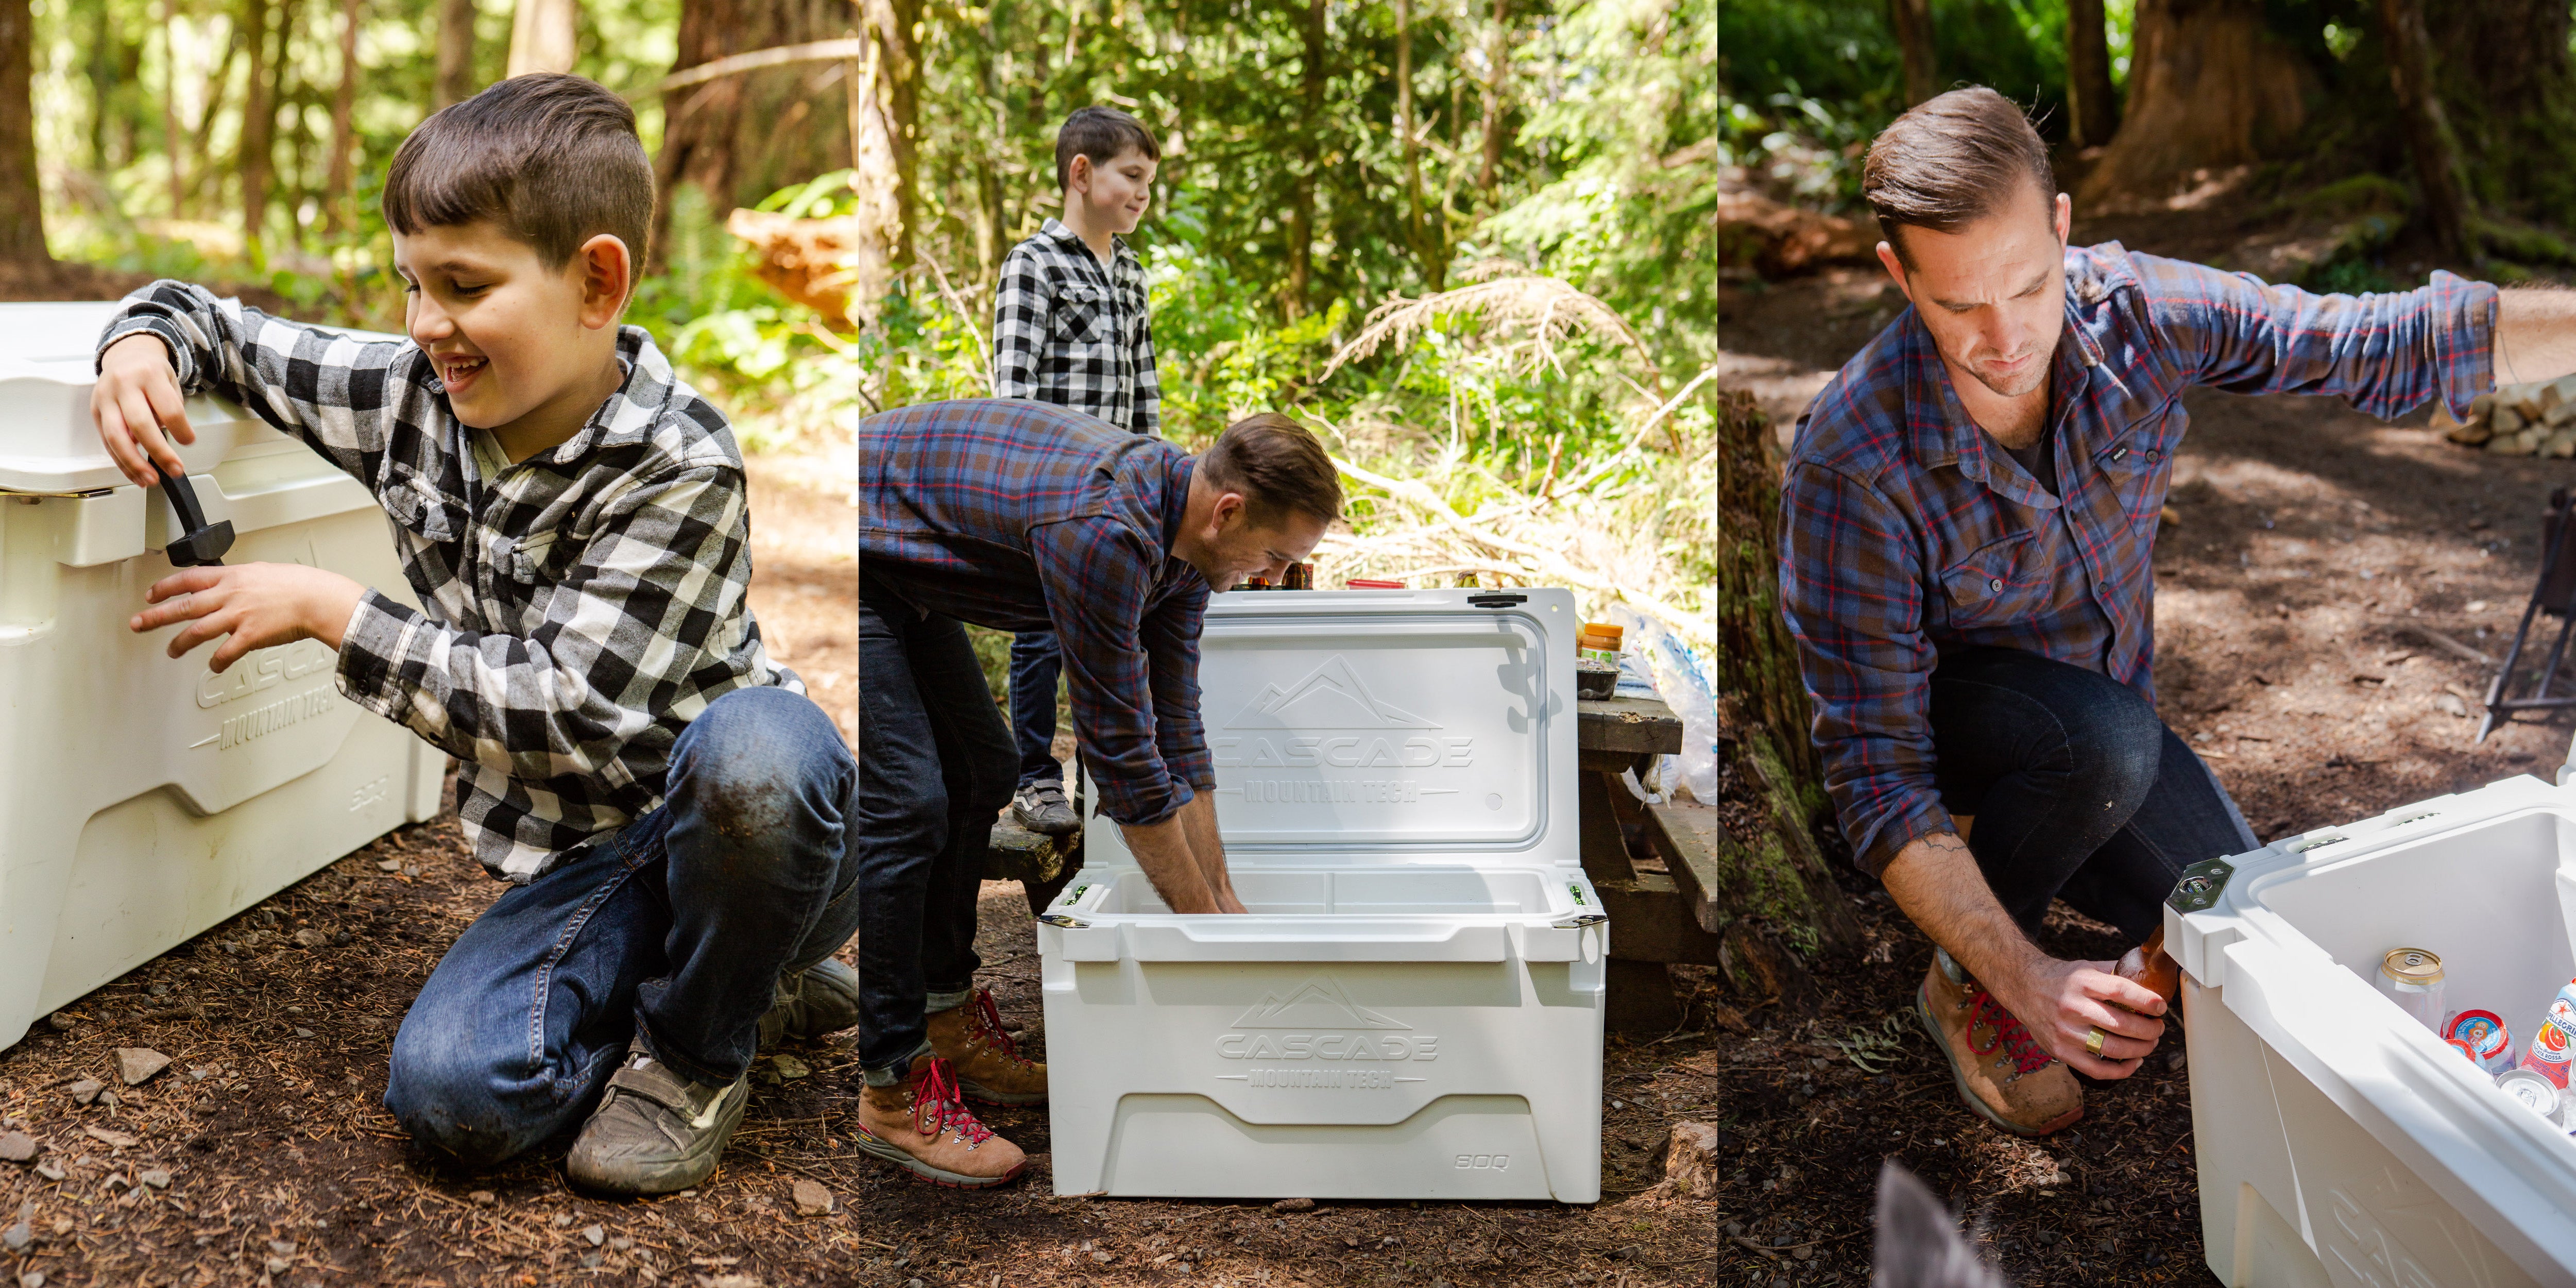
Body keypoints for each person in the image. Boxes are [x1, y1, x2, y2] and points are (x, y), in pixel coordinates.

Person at [87, 75, 855, 1196]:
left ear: (596, 281)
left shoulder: (677, 463)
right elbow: (215, 323)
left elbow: (570, 712)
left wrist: (327, 607)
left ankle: (695, 1051)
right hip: (587, 865)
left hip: (744, 825)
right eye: (410, 282)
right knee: (453, 1091)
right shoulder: (413, 397)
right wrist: (139, 348)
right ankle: (735, 981)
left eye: (463, 285)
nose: (424, 324)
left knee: (762, 754)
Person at [1779, 86, 2576, 1137]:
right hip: (1964, 741)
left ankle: (2068, 883)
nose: (2004, 335)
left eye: (2028, 286)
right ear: (1898, 275)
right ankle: (1962, 979)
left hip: (2113, 729)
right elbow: (1875, 778)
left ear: (2060, 227)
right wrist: (2027, 978)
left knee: (2244, 930)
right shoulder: (1850, 453)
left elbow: (2374, 342)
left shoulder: (2137, 311)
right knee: (2099, 745)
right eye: (1957, 306)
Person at [858, 401, 1338, 1185]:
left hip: (913, 572)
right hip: (865, 551)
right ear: (1228, 511)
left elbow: (1176, 727)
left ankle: (942, 1018)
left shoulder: (1187, 549)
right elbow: (1118, 754)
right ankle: (890, 1092)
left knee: (982, 769)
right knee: (909, 803)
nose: (1275, 577)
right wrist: (1201, 936)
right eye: (1276, 555)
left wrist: (1223, 905)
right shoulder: (1106, 533)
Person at [990, 105, 1165, 838]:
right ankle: (1035, 780)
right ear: (1081, 173)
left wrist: (1155, 474)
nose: (1143, 195)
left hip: (1121, 491)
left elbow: (1144, 384)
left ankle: (1108, 782)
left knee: (1117, 636)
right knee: (1042, 634)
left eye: (1150, 183)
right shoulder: (1034, 265)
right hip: (1053, 488)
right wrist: (1036, 481)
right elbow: (1012, 388)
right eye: (1132, 176)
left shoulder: (1129, 274)